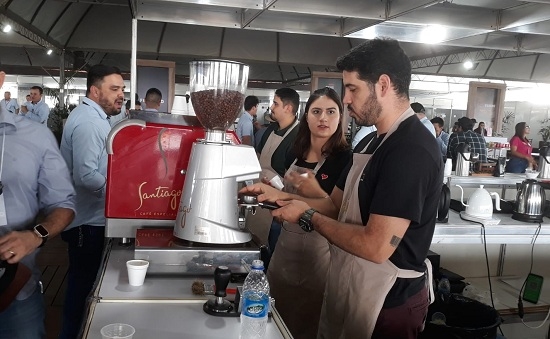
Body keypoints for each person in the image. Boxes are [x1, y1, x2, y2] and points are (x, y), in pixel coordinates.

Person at [243, 38, 442, 339]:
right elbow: (343, 208)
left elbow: (376, 246)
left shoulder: (410, 148)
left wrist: (307, 215)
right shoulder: (375, 141)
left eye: (352, 89)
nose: (346, 100)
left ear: (383, 85)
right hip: (355, 284)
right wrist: (282, 196)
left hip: (387, 299)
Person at [266, 87, 352, 339]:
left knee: (310, 325)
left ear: (340, 117)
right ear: (306, 117)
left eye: (330, 112)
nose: (323, 118)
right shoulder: (295, 152)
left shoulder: (345, 159)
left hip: (320, 254)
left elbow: (336, 211)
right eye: (316, 111)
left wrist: (310, 191)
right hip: (284, 250)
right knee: (275, 319)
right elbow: (284, 192)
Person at [0, 71, 75, 339]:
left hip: (14, 292)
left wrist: (36, 236)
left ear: (0, 79)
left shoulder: (36, 137)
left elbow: (63, 204)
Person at [59, 64, 125, 339]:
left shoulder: (98, 117)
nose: (120, 95)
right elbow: (86, 175)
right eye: (114, 89)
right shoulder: (88, 122)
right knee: (82, 285)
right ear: (95, 91)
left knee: (85, 282)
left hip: (93, 217)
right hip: (87, 221)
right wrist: (120, 194)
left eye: (122, 89)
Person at [254, 87, 300, 255]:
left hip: (278, 208)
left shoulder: (299, 136)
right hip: (259, 202)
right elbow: (257, 160)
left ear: (288, 108)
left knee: (272, 253)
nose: (271, 107)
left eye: (275, 103)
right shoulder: (268, 131)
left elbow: (296, 179)